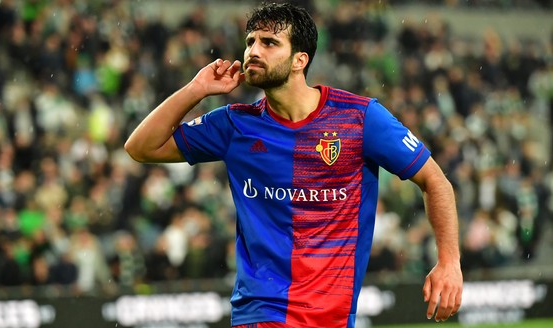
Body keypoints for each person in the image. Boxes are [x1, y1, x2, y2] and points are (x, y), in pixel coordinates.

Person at [125, 2, 462, 327]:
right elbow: (141, 147)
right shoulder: (235, 125)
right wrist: (196, 89)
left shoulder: (359, 119)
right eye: (250, 42)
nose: (254, 51)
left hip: (335, 316)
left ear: (300, 59)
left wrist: (449, 262)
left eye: (270, 42)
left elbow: (435, 181)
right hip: (263, 311)